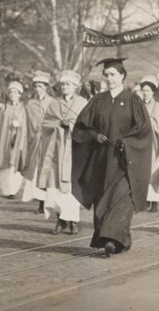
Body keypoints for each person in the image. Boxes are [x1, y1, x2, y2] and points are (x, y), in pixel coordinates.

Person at [72, 57, 152, 257]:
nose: (109, 78)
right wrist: (94, 135)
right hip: (101, 162)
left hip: (125, 162)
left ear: (123, 76)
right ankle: (116, 239)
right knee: (103, 200)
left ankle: (112, 240)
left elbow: (143, 130)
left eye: (113, 75)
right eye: (106, 75)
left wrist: (127, 142)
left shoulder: (134, 101)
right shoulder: (97, 100)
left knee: (122, 199)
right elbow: (81, 127)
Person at [38, 69, 88, 235]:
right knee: (55, 188)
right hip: (55, 151)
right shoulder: (54, 103)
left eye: (68, 84)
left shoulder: (82, 103)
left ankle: (73, 221)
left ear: (75, 87)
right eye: (63, 84)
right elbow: (46, 123)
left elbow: (87, 127)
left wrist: (71, 125)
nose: (65, 87)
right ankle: (60, 220)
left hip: (74, 152)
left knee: (72, 187)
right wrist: (59, 125)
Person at [22, 71, 55, 213]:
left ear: (46, 87)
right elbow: (27, 122)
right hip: (35, 142)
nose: (38, 88)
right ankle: (40, 203)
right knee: (35, 170)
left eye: (41, 86)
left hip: (48, 141)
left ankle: (48, 201)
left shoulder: (52, 102)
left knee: (47, 170)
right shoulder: (30, 104)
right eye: (36, 86)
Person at [0, 80, 28, 198]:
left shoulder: (24, 109)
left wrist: (20, 125)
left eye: (15, 92)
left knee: (15, 165)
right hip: (4, 141)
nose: (12, 94)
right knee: (4, 166)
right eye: (10, 92)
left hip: (18, 140)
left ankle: (13, 189)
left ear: (20, 94)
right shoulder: (4, 109)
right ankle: (6, 190)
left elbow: (26, 125)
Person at [139, 75, 159, 212]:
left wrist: (150, 124)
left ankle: (154, 200)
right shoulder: (139, 106)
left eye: (148, 91)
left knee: (154, 170)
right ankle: (144, 199)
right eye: (143, 90)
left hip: (154, 143)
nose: (145, 93)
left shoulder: (158, 107)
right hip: (141, 143)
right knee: (143, 171)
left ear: (153, 92)